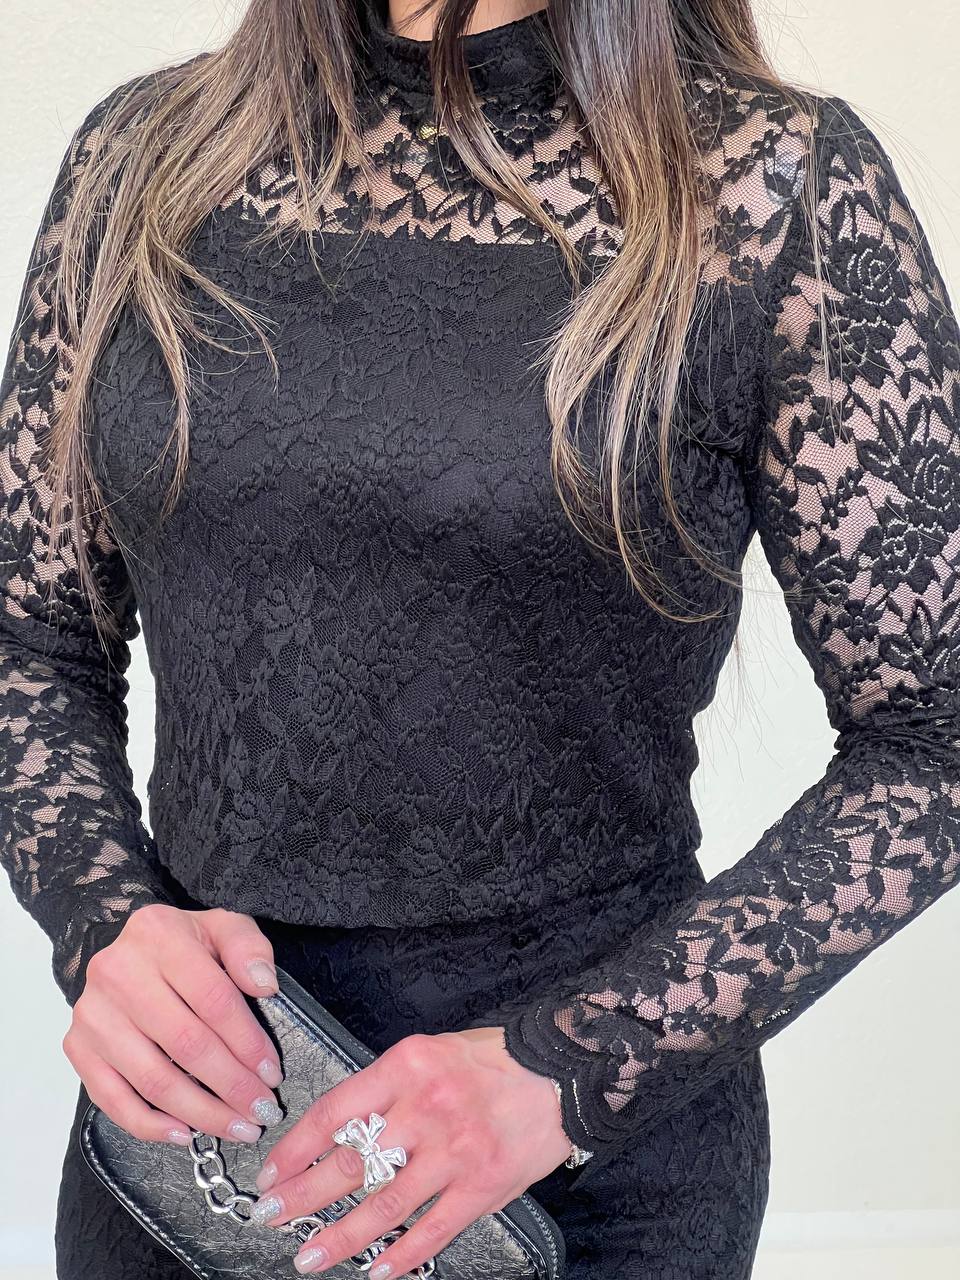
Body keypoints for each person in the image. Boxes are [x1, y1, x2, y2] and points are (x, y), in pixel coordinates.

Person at [2, 0, 958, 1276]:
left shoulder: (768, 189)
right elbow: (30, 633)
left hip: (583, 1173)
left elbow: (934, 732)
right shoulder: (142, 160)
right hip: (191, 1156)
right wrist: (105, 921)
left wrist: (571, 1064)